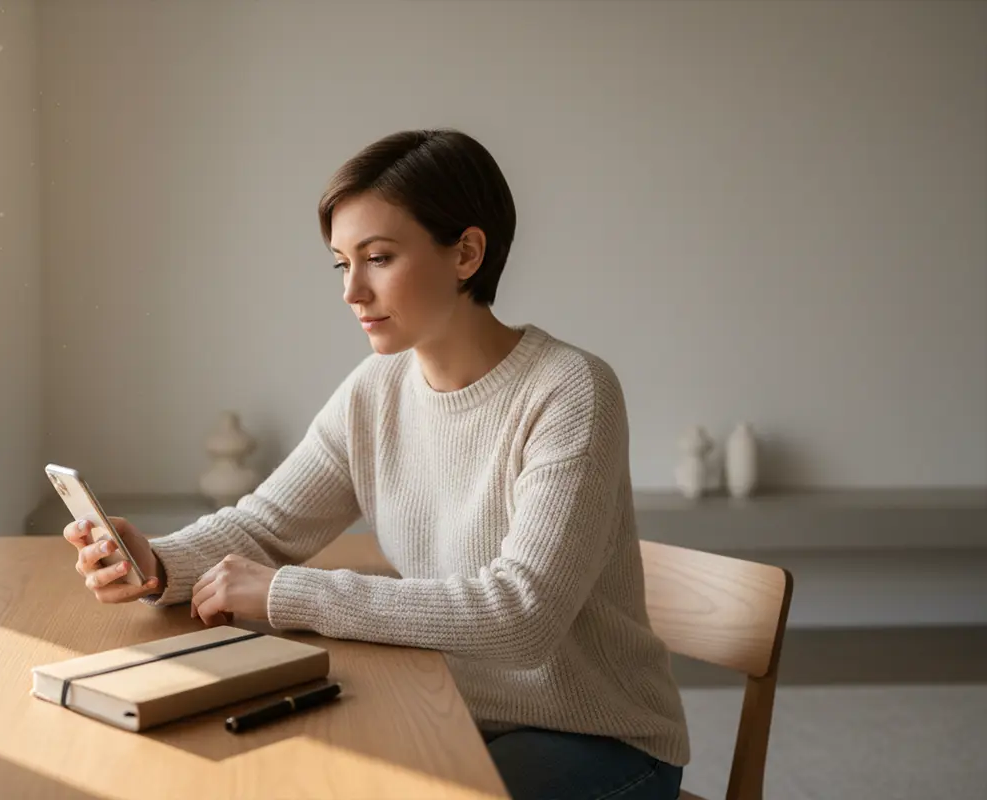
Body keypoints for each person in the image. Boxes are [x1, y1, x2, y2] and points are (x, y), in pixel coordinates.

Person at [63, 129, 689, 800]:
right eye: (341, 264)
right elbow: (269, 526)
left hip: (597, 742)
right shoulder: (376, 390)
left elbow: (521, 618)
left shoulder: (570, 391)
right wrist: (159, 562)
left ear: (467, 253)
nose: (352, 292)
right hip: (442, 708)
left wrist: (288, 594)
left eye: (379, 258)